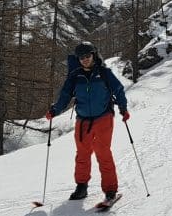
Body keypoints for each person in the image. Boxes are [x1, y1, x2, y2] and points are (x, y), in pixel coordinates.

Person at [47, 42, 129, 201]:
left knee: (103, 152)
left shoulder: (104, 73)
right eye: (81, 57)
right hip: (83, 121)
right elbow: (65, 95)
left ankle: (110, 189)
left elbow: (118, 90)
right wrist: (54, 110)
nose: (85, 59)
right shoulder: (75, 76)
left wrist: (123, 109)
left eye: (87, 56)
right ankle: (81, 187)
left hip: (103, 118)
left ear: (94, 55)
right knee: (82, 154)